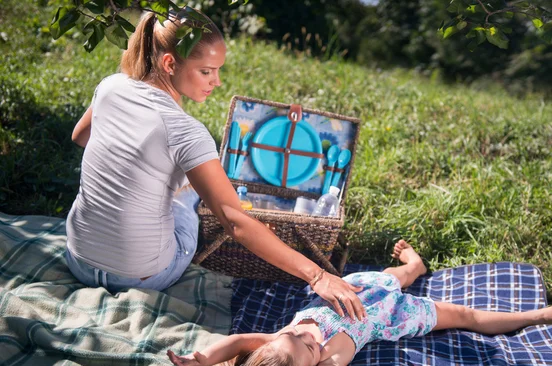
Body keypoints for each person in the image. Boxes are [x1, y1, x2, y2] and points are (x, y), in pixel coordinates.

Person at [64, 10, 366, 321]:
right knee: (193, 192)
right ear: (169, 63)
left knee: (178, 181)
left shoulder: (112, 85)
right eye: (206, 71)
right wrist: (318, 276)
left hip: (78, 258)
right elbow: (235, 223)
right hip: (141, 275)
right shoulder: (187, 131)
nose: (216, 82)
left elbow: (81, 136)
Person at [167, 240, 552, 366]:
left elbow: (238, 340)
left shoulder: (282, 337)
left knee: (402, 274)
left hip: (359, 286)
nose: (305, 336)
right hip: (392, 316)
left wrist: (200, 358)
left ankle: (415, 264)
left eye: (296, 336)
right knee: (465, 316)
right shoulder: (328, 364)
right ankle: (543, 313)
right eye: (307, 347)